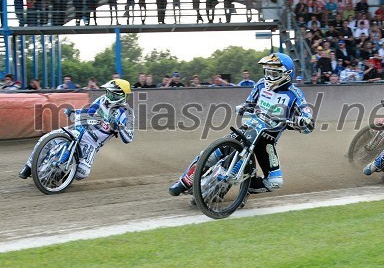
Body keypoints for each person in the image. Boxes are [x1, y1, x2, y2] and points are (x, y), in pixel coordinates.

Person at [168, 52, 314, 199]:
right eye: (267, 71)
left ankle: (248, 187)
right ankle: (184, 181)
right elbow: (249, 103)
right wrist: (244, 107)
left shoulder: (295, 94)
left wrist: (303, 121)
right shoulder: (261, 84)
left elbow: (308, 119)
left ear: (286, 74)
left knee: (275, 182)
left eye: (273, 73)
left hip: (267, 140)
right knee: (212, 154)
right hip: (248, 130)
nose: (269, 76)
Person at [19, 79, 135, 180]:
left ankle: (63, 176)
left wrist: (119, 127)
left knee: (82, 173)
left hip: (92, 142)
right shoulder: (102, 99)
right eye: (108, 92)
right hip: (81, 128)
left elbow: (128, 139)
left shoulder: (127, 114)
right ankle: (29, 167)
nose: (108, 95)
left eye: (112, 94)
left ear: (121, 96)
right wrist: (74, 111)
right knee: (45, 139)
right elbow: (89, 111)